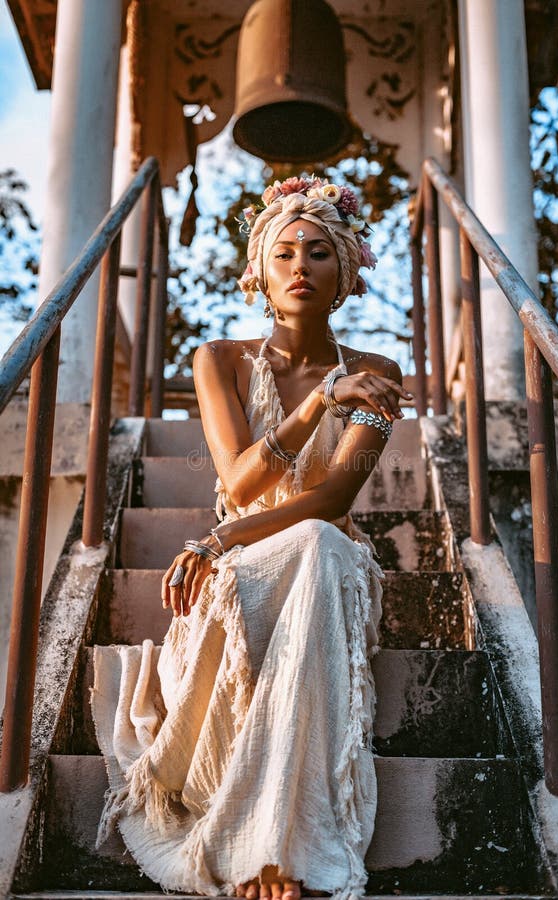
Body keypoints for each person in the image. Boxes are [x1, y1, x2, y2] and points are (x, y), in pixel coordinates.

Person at [91, 175, 412, 900]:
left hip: (324, 568)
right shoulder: (220, 361)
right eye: (285, 252)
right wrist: (322, 401)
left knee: (323, 547)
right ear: (259, 274)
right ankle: (270, 846)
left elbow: (330, 499)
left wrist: (215, 540)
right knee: (307, 551)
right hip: (241, 573)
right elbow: (236, 481)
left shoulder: (379, 373)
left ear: (348, 271)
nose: (301, 265)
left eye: (321, 252)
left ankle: (275, 848)